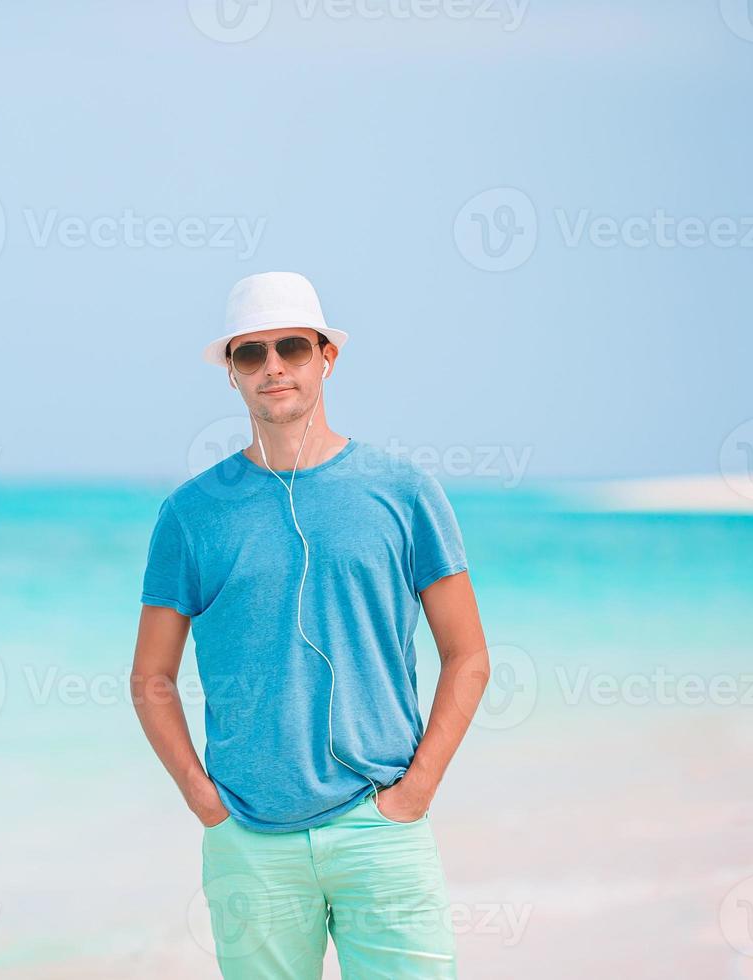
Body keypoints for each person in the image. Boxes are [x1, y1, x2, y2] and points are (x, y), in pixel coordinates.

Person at [130, 272, 491, 979]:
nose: (272, 367)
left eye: (291, 347)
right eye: (250, 353)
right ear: (230, 374)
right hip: (250, 841)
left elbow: (468, 655)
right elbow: (151, 678)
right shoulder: (190, 514)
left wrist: (415, 793)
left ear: (326, 357)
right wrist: (206, 804)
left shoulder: (405, 492)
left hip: (381, 826)